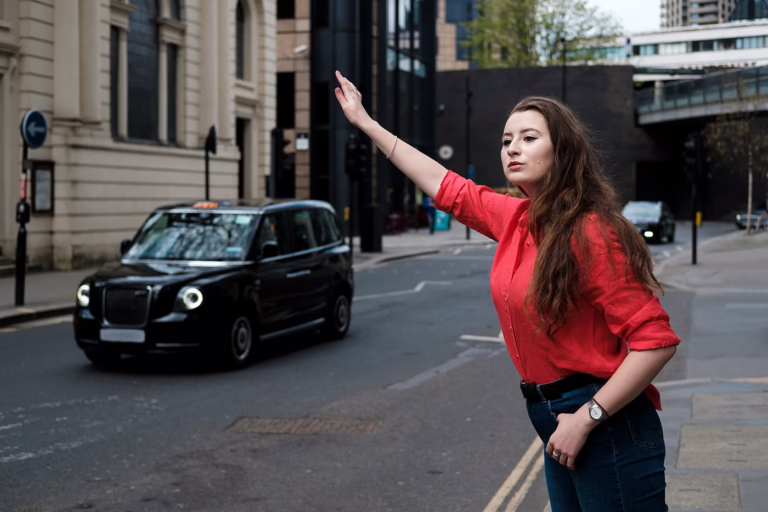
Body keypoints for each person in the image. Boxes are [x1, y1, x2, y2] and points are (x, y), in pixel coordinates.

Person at [334, 71, 680, 511]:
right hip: (555, 418)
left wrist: (587, 418)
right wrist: (366, 123)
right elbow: (447, 186)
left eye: (529, 137)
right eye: (506, 140)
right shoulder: (517, 218)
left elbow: (656, 343)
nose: (513, 147)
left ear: (562, 151)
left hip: (604, 422)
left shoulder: (590, 232)